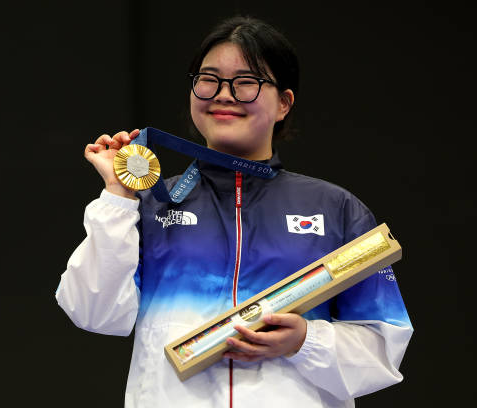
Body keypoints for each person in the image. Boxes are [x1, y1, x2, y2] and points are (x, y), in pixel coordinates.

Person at [55, 15, 412, 408]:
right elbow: (94, 313)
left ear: (283, 103)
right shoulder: (149, 203)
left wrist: (306, 341)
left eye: (246, 82)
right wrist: (118, 195)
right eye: (209, 79)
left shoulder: (336, 209)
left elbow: (384, 345)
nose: (224, 94)